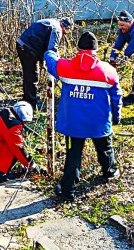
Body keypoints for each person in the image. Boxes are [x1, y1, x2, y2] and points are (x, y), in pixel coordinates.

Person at [45, 32, 123, 201]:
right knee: (105, 148)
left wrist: (51, 47)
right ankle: (109, 172)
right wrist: (117, 117)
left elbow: (50, 60)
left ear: (78, 49)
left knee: (73, 154)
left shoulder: (65, 67)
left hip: (73, 124)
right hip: (99, 122)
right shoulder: (108, 71)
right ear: (96, 50)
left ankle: (68, 192)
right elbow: (117, 97)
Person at [16, 17, 73, 108]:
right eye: (65, 32)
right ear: (64, 27)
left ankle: (29, 97)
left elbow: (42, 42)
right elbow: (51, 50)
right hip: (27, 48)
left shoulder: (52, 22)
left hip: (23, 44)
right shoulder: (57, 29)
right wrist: (54, 65)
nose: (65, 34)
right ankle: (31, 103)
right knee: (32, 75)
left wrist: (42, 60)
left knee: (29, 74)